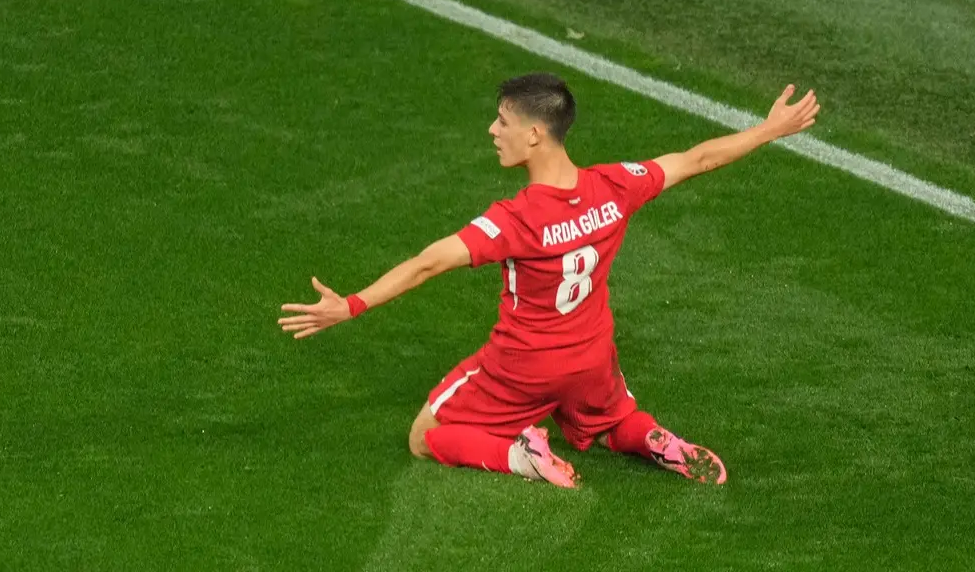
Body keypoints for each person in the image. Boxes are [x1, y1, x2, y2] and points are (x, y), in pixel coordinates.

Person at [278, 73, 819, 488]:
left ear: (535, 134)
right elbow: (697, 159)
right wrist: (772, 128)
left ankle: (520, 455)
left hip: (525, 367)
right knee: (609, 422)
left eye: (503, 122)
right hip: (592, 358)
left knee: (424, 437)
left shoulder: (516, 219)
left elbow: (427, 263)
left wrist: (351, 305)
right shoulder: (614, 185)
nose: (492, 131)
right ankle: (653, 438)